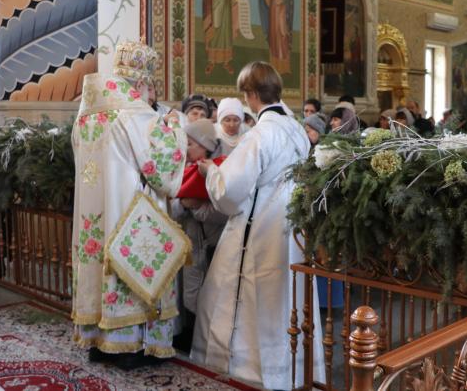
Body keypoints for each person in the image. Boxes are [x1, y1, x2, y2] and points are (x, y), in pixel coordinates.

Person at [192, 61, 324, 389]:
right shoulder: (295, 128)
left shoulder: (260, 134)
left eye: (245, 94)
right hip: (290, 229)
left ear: (251, 94)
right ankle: (291, 374)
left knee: (246, 300)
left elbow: (230, 191)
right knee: (286, 300)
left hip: (259, 229)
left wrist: (211, 173)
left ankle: (246, 373)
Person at [71, 39, 188, 369]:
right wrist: (175, 126)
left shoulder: (87, 114)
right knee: (132, 266)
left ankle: (99, 341)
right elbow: (160, 169)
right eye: (150, 87)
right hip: (132, 210)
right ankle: (131, 346)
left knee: (98, 264)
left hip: (95, 211)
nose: (150, 95)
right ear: (141, 83)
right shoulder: (136, 115)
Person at [171, 119, 227, 353]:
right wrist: (184, 204)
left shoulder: (220, 170)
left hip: (208, 242)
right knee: (189, 289)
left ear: (205, 146)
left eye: (190, 143)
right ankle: (188, 332)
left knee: (203, 292)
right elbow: (175, 204)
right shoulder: (185, 167)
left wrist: (194, 207)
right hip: (190, 240)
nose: (186, 148)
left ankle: (199, 339)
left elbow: (223, 212)